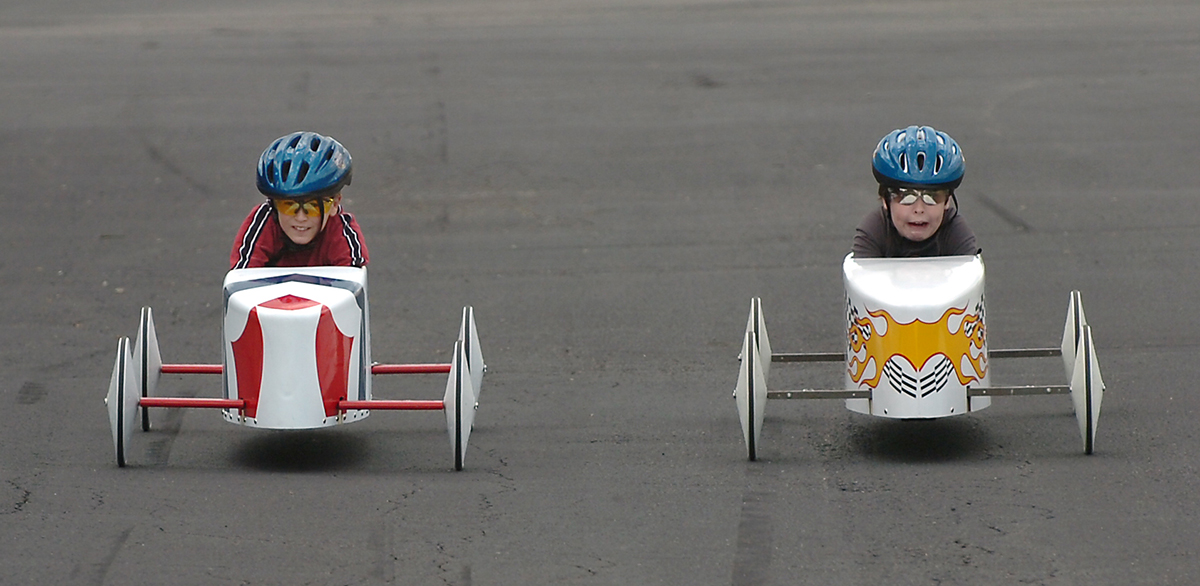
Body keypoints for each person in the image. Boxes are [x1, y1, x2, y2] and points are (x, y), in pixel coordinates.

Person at [230, 131, 369, 269]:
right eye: (288, 206)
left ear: (335, 204)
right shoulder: (263, 223)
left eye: (312, 207)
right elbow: (242, 278)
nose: (301, 218)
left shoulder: (343, 234)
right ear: (274, 205)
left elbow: (351, 282)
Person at [852, 125, 979, 258]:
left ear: (947, 201)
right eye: (906, 197)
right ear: (885, 200)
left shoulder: (955, 232)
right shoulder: (875, 231)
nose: (919, 209)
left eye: (932, 197)